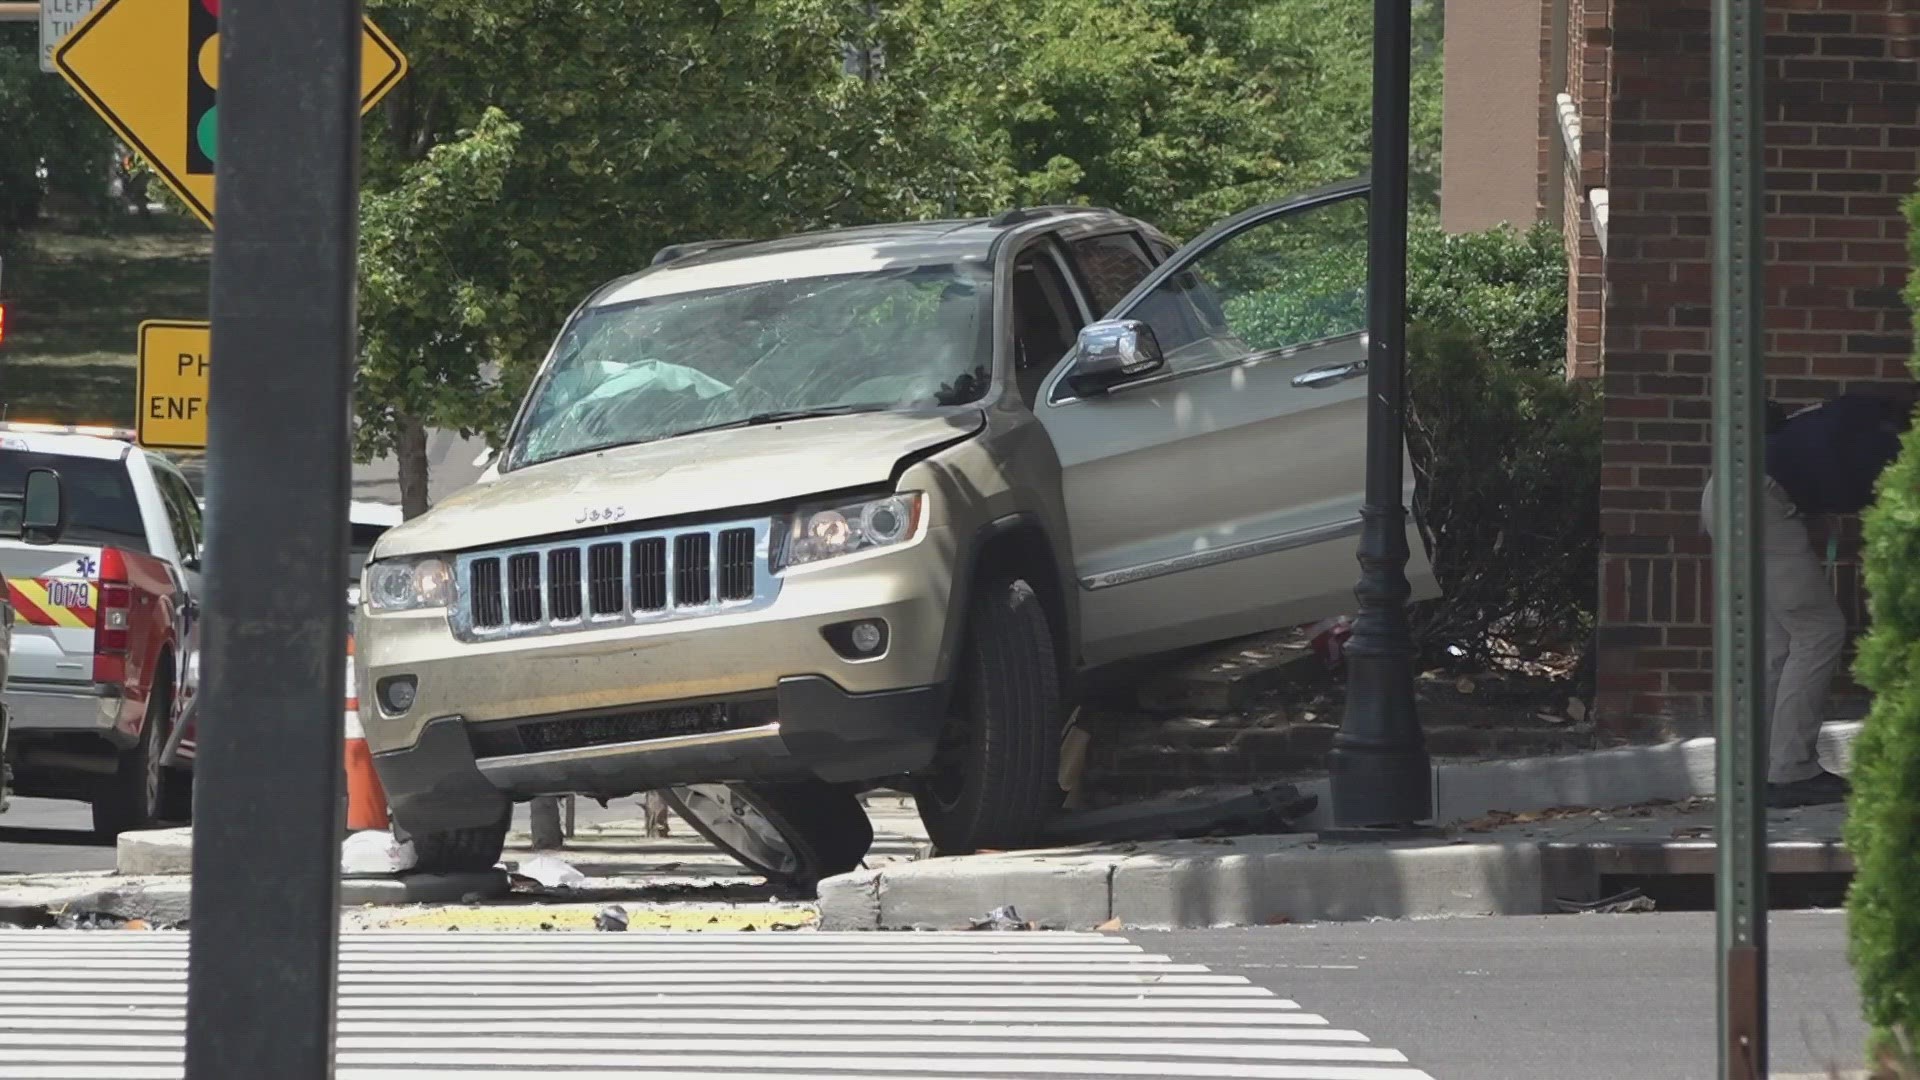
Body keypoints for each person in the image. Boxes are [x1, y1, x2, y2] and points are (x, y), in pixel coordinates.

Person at [1700, 388, 1913, 808]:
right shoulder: (1886, 443)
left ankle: (1754, 771)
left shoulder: (1856, 413)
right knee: (1819, 630)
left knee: (1780, 643)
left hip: (1726, 491)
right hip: (1756, 500)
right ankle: (1791, 771)